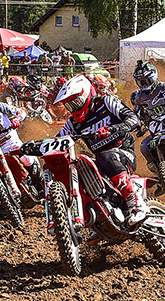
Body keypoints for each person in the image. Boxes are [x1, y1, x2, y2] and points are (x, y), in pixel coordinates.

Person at [53, 74, 147, 227]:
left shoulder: (106, 102)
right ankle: (97, 220)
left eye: (76, 103)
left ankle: (136, 203)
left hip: (123, 152)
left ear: (86, 95)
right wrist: (32, 147)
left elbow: (134, 120)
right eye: (69, 106)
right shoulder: (72, 123)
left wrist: (113, 128)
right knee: (82, 166)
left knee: (105, 157)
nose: (74, 109)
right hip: (102, 163)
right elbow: (58, 141)